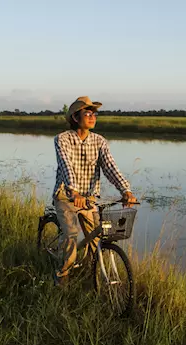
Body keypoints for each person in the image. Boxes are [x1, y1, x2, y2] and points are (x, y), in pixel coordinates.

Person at [52, 96, 137, 285]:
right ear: (75, 117)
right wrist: (73, 192)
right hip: (67, 196)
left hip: (90, 198)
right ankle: (62, 275)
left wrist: (126, 190)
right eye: (87, 113)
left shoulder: (99, 141)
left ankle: (94, 275)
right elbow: (66, 167)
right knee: (71, 236)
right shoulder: (62, 139)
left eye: (94, 114)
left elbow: (110, 167)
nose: (92, 117)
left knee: (97, 237)